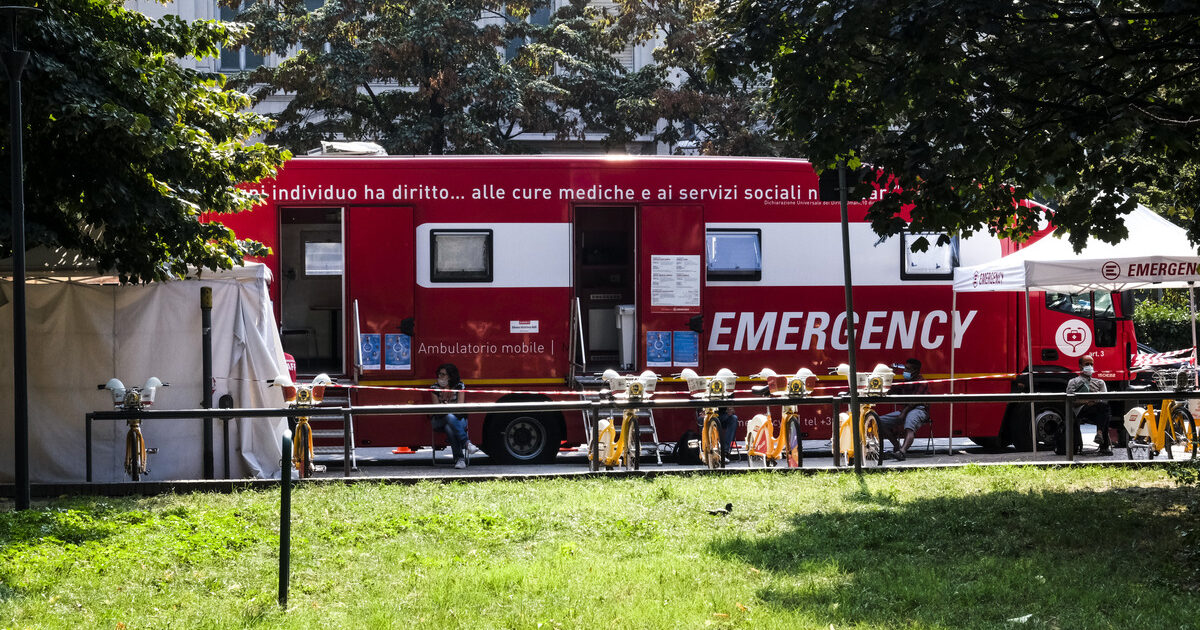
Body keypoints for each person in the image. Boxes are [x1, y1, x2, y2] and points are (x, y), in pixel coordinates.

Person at [878, 358, 930, 461]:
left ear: (915, 371)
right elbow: (890, 390)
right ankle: (897, 446)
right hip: (905, 410)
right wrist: (890, 375)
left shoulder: (922, 382)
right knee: (879, 421)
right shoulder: (905, 382)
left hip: (919, 409)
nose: (904, 371)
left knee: (909, 426)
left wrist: (904, 413)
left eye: (907, 369)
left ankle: (902, 452)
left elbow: (914, 401)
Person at [1060, 354, 1112, 456]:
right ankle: (1104, 445)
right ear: (1080, 366)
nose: (1090, 366)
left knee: (1104, 409)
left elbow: (1104, 399)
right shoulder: (1073, 382)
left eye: (1091, 364)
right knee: (1105, 412)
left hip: (1097, 409)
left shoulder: (1100, 382)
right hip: (1081, 410)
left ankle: (1100, 434)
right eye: (1087, 364)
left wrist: (1095, 401)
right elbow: (1071, 401)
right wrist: (1086, 401)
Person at [430, 363, 469, 469]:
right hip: (439, 420)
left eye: (443, 374)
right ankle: (466, 443)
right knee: (448, 417)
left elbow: (460, 407)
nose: (440, 377)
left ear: (450, 376)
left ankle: (459, 459)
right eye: (439, 374)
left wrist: (446, 406)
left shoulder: (459, 386)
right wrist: (445, 406)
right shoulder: (434, 388)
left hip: (459, 418)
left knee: (449, 425)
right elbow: (437, 410)